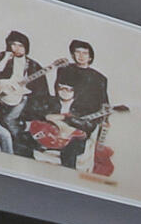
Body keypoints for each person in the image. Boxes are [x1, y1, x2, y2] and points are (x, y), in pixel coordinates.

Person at [43, 43, 119, 173]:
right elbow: (57, 93)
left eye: (85, 53)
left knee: (70, 150)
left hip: (81, 124)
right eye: (77, 52)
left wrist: (105, 117)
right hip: (57, 120)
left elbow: (104, 104)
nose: (81, 56)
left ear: (90, 57)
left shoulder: (99, 78)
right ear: (73, 54)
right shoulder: (64, 70)